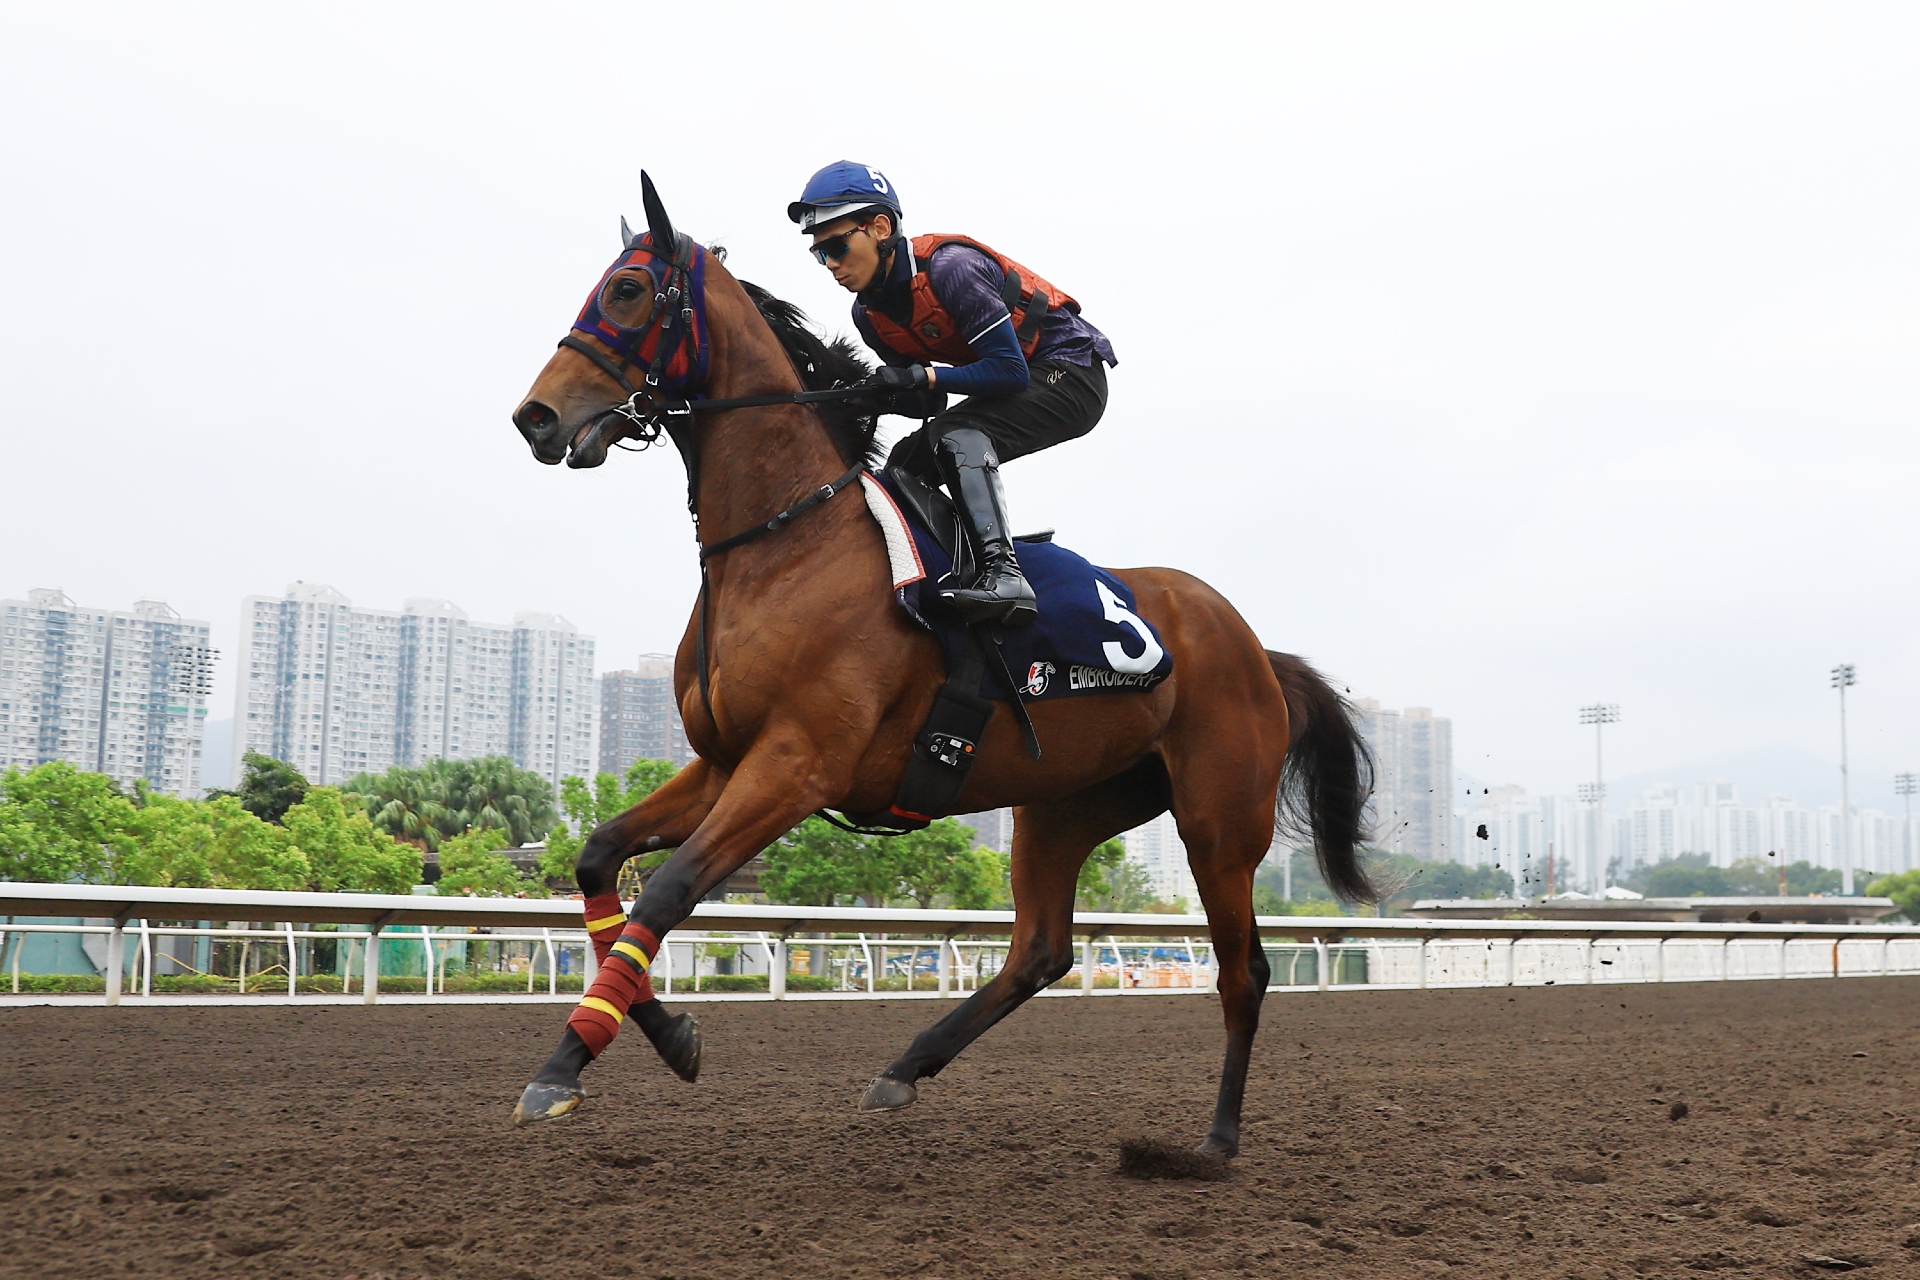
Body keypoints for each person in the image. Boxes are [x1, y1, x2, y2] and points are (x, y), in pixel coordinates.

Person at [789, 161, 1118, 627]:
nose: (832, 265)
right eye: (820, 255)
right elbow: (929, 403)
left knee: (958, 435)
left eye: (838, 247)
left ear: (880, 227)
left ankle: (1004, 575)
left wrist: (923, 378)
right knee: (903, 467)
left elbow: (1008, 372)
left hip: (1072, 374)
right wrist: (872, 397)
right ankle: (951, 571)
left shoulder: (951, 268)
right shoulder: (869, 315)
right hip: (1023, 377)